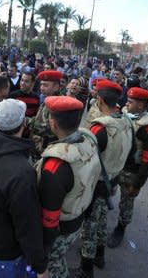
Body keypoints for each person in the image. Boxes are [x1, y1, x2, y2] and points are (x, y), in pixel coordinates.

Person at [0, 99, 49, 277]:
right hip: (6, 250)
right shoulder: (22, 171)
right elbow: (27, 225)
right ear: (23, 123)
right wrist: (41, 266)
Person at [36, 96, 101, 278]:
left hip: (61, 227)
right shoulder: (88, 139)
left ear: (53, 122)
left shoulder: (55, 163)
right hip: (78, 216)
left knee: (53, 264)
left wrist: (43, 247)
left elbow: (50, 216)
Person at [75, 80, 134, 278]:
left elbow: (86, 159)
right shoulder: (127, 121)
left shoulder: (100, 128)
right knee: (100, 221)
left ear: (99, 100)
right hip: (113, 178)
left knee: (90, 225)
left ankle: (86, 268)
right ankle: (100, 255)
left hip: (97, 182)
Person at [108, 87, 148, 248]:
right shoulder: (123, 114)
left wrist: (137, 184)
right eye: (127, 101)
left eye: (131, 102)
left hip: (131, 171)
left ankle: (121, 228)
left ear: (141, 105)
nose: (127, 104)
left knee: (126, 202)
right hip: (114, 165)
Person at [30, 70, 63, 156]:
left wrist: (27, 122)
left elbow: (51, 129)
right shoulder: (48, 99)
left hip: (49, 150)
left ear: (56, 87)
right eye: (41, 84)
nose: (41, 88)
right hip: (40, 147)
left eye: (45, 85)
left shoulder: (59, 104)